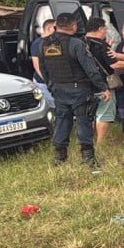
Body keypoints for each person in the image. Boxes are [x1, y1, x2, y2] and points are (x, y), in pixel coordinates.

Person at [38, 13, 110, 166]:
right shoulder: (76, 43)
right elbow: (90, 69)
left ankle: (60, 158)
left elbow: (43, 69)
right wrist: (103, 87)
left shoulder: (44, 43)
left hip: (58, 89)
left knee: (62, 121)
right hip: (79, 90)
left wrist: (51, 85)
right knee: (84, 121)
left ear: (56, 24)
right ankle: (88, 158)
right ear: (74, 26)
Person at [84, 17, 118, 144]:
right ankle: (100, 142)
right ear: (100, 29)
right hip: (103, 84)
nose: (105, 32)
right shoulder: (102, 45)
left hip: (85, 85)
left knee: (89, 114)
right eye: (105, 30)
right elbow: (113, 65)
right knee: (104, 113)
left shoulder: (79, 43)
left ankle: (89, 140)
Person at [30, 18, 56, 109]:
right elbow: (37, 66)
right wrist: (48, 81)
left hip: (54, 81)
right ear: (49, 28)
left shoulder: (53, 42)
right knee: (52, 107)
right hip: (43, 82)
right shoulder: (38, 44)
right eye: (55, 28)